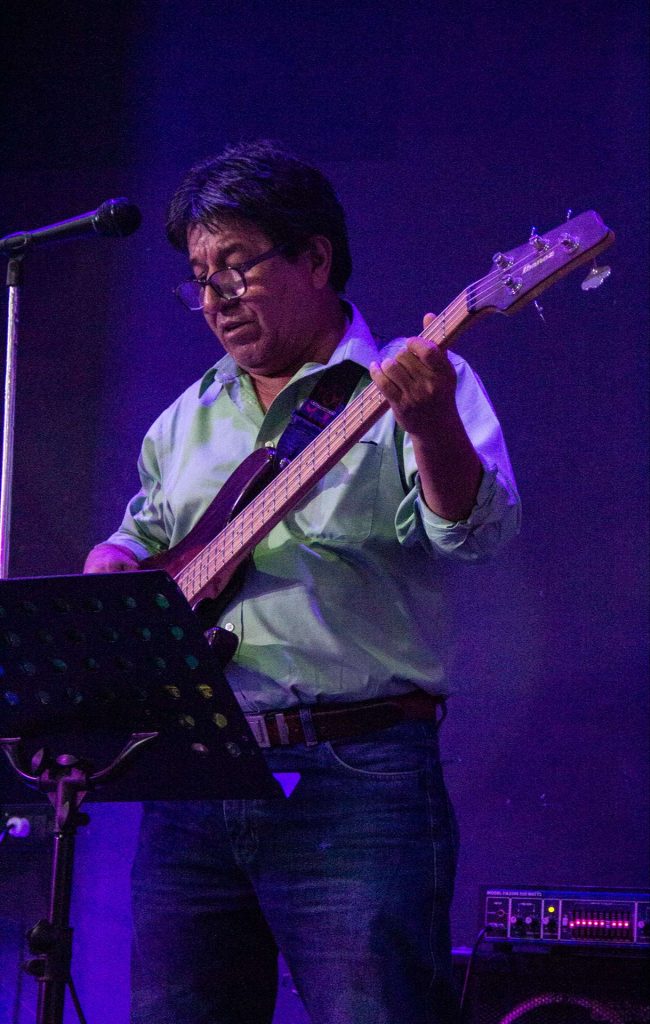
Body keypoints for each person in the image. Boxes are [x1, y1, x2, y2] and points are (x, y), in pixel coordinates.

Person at [84, 140, 521, 1024]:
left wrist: (432, 423)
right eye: (199, 279)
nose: (214, 298)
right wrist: (113, 564)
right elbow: (139, 544)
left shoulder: (416, 379)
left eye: (236, 267)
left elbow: (474, 536)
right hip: (197, 772)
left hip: (357, 774)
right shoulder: (184, 420)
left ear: (315, 258)